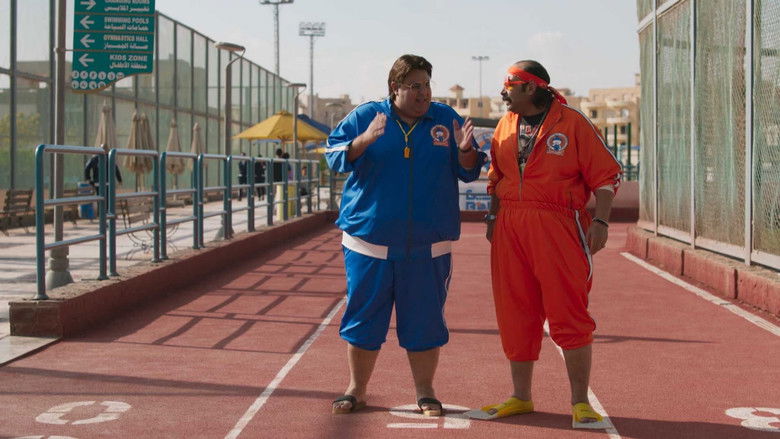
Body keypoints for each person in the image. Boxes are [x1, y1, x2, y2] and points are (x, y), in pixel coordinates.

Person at [325, 54, 486, 416]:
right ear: (394, 87)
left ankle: (426, 392)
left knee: (425, 322)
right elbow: (332, 155)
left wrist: (464, 151)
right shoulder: (366, 115)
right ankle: (356, 390)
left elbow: (469, 171)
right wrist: (364, 140)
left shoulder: (446, 119)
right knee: (363, 321)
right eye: (415, 86)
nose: (424, 93)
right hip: (369, 244)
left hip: (429, 246)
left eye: (427, 85)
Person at [473, 60, 621, 427]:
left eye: (509, 85)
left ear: (531, 87)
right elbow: (496, 176)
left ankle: (580, 402)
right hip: (510, 225)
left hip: (558, 224)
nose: (502, 92)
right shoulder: (505, 124)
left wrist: (601, 221)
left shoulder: (573, 123)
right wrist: (493, 217)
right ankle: (520, 396)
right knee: (515, 310)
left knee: (568, 309)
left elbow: (606, 176)